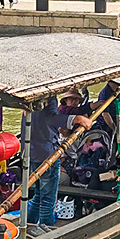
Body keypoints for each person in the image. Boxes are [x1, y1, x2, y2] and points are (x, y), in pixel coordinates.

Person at [25, 96, 92, 229]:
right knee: (48, 199)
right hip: (47, 153)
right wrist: (77, 119)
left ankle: (29, 225)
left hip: (31, 151)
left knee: (39, 194)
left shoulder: (30, 98)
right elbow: (52, 118)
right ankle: (45, 232)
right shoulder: (48, 97)